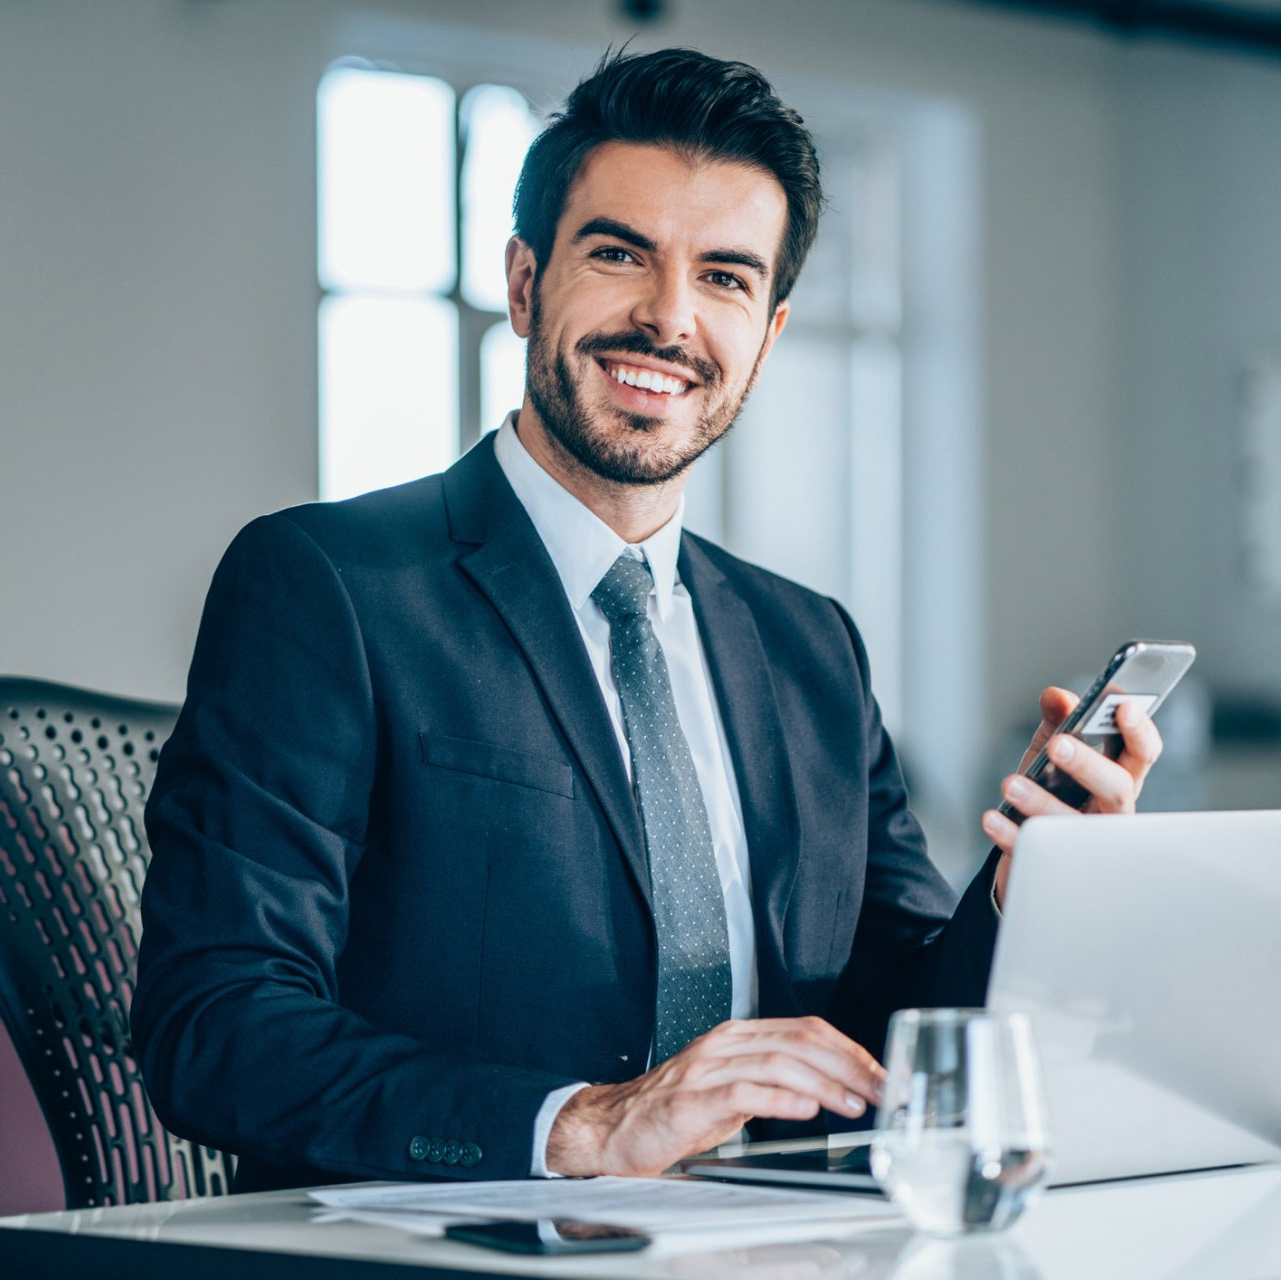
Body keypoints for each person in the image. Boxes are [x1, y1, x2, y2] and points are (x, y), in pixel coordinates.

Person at [131, 47, 1161, 1192]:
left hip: (774, 1243)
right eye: (620, 253)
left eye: (724, 277)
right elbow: (214, 1025)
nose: (667, 318)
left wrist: (1026, 890)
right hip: (443, 1247)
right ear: (525, 283)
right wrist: (581, 1124)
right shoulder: (326, 583)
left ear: (765, 339)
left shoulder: (810, 645)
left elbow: (879, 1032)